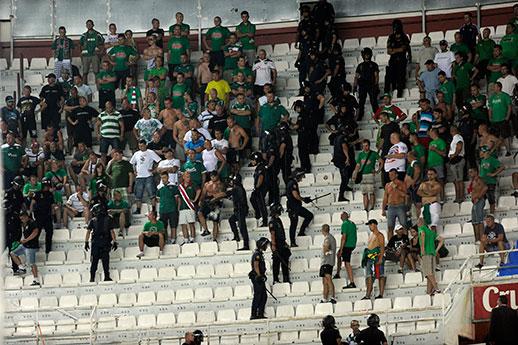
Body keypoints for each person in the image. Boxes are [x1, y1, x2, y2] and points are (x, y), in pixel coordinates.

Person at [84, 203, 117, 282]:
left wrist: (86, 242)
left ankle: (92, 278)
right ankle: (106, 276)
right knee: (105, 261)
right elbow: (112, 231)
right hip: (105, 242)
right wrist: (115, 241)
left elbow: (88, 232)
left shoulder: (93, 220)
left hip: (96, 242)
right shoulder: (108, 219)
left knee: (94, 261)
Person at [130, 140, 161, 214]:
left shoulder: (150, 152)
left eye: (142, 146)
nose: (141, 147)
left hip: (148, 176)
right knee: (138, 194)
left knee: (152, 193)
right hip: (139, 176)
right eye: (139, 146)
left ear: (145, 145)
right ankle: (138, 209)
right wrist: (134, 171)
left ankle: (154, 209)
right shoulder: (136, 153)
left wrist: (154, 170)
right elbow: (131, 163)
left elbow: (159, 161)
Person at [9, 211, 40, 285]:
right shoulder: (24, 224)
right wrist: (22, 240)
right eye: (21, 219)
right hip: (25, 245)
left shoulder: (32, 223)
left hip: (31, 246)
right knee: (12, 253)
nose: (22, 220)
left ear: (26, 217)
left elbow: (36, 232)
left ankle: (36, 280)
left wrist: (27, 240)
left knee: (32, 263)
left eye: (23, 218)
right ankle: (21, 267)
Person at [286, 168, 314, 247]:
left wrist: (303, 199)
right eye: (301, 177)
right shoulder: (292, 183)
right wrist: (304, 199)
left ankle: (301, 232)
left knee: (309, 215)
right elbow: (295, 195)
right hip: (293, 207)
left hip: (295, 206)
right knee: (294, 224)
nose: (301, 179)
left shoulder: (292, 182)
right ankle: (292, 242)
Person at [417, 217, 443, 295]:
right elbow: (441, 240)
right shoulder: (431, 232)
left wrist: (422, 249)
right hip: (432, 253)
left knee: (428, 273)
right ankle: (429, 291)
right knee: (431, 273)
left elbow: (422, 235)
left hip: (426, 253)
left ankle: (436, 288)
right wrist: (436, 250)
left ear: (420, 223)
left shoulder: (421, 228)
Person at [385, 19, 410, 98]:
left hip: (402, 61)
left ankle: (399, 96)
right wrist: (397, 50)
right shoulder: (391, 37)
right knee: (389, 77)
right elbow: (388, 51)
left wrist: (394, 50)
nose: (395, 28)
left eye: (397, 26)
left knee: (400, 79)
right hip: (393, 60)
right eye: (394, 26)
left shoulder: (404, 37)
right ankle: (387, 94)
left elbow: (403, 49)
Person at [197, 171, 226, 240]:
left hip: (216, 202)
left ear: (217, 176)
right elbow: (203, 194)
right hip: (207, 201)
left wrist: (215, 197)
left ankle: (214, 239)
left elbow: (223, 194)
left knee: (215, 221)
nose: (212, 178)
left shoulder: (221, 184)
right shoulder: (207, 184)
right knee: (199, 213)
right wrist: (200, 200)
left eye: (214, 176)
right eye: (211, 176)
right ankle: (206, 230)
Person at [29, 178, 55, 254]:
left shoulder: (50, 194)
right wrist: (30, 214)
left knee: (49, 233)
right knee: (37, 233)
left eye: (48, 186)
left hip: (48, 216)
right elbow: (32, 203)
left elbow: (52, 205)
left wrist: (54, 214)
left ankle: (48, 250)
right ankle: (35, 248)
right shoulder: (37, 193)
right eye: (46, 186)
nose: (47, 187)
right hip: (39, 216)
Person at [362, 219, 386, 300]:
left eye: (370, 224)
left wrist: (381, 258)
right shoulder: (371, 235)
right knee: (369, 276)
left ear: (375, 225)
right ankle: (368, 295)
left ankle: (380, 294)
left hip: (377, 257)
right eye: (369, 225)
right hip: (370, 257)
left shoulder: (379, 235)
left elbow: (382, 247)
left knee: (380, 275)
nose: (369, 226)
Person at [353, 139, 379, 211]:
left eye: (366, 145)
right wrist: (355, 173)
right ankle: (365, 209)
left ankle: (372, 208)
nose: (365, 147)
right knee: (364, 193)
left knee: (371, 193)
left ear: (369, 146)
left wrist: (378, 170)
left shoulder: (373, 153)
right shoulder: (360, 154)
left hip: (370, 174)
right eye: (363, 146)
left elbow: (381, 161)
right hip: (362, 175)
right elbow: (358, 165)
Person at [269, 202, 291, 284]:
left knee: (285, 260)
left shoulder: (278, 220)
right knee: (276, 262)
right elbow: (273, 234)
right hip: (277, 244)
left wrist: (284, 242)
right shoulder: (272, 221)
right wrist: (274, 245)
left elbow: (281, 233)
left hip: (282, 243)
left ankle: (286, 279)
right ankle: (276, 279)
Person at [354, 47, 379, 121]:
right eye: (365, 54)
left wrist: (376, 85)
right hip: (362, 86)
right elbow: (356, 76)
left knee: (373, 101)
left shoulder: (374, 64)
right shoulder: (360, 66)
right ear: (363, 55)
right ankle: (360, 116)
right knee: (361, 102)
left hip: (371, 85)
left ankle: (377, 116)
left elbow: (376, 76)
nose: (366, 56)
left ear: (370, 55)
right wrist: (354, 86)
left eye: (368, 54)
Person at [489, 81, 513, 156]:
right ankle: (496, 152)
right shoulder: (492, 97)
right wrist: (490, 117)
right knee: (495, 137)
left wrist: (507, 117)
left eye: (495, 87)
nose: (493, 88)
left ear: (499, 87)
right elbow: (490, 108)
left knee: (505, 135)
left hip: (503, 119)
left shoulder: (505, 96)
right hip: (494, 120)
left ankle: (508, 151)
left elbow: (509, 107)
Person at [382, 169, 407, 240]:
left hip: (400, 206)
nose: (390, 176)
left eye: (392, 174)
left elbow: (405, 195)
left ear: (396, 175)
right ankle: (390, 244)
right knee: (390, 227)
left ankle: (405, 242)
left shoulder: (402, 184)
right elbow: (385, 198)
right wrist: (383, 209)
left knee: (404, 225)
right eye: (389, 175)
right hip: (391, 207)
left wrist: (396, 188)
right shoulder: (387, 185)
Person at [155, 172, 179, 244]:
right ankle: (165, 240)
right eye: (162, 178)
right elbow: (158, 199)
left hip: (172, 209)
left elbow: (177, 198)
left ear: (168, 177)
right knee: (163, 226)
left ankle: (173, 240)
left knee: (173, 225)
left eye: (164, 177)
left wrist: (176, 208)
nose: (163, 179)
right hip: (163, 210)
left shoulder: (173, 186)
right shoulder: (159, 187)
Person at [479, 146, 504, 214]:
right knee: (480, 200)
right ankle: (480, 214)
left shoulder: (492, 159)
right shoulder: (482, 160)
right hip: (482, 182)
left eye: (481, 151)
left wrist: (493, 174)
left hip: (490, 182)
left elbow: (502, 167)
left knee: (491, 199)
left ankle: (492, 214)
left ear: (486, 152)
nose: (480, 152)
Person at [335, 211, 357, 288]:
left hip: (347, 245)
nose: (340, 217)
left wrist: (341, 249)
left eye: (341, 215)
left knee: (347, 263)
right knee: (338, 256)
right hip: (352, 244)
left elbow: (344, 237)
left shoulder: (345, 224)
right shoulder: (352, 223)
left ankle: (352, 282)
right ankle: (338, 273)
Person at [249, 237, 269, 320]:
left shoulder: (259, 254)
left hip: (259, 277)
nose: (267, 247)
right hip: (257, 278)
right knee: (258, 295)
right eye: (265, 245)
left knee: (263, 296)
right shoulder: (257, 254)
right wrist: (259, 275)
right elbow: (256, 265)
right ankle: (254, 314)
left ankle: (260, 313)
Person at [228, 174, 250, 250]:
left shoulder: (237, 188)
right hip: (239, 210)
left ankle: (246, 245)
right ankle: (236, 236)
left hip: (241, 210)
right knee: (231, 220)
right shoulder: (238, 188)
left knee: (242, 227)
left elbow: (226, 194)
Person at [177, 172, 200, 245]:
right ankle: (186, 239)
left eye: (189, 177)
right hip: (182, 208)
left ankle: (192, 239)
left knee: (191, 223)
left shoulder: (193, 184)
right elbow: (179, 198)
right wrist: (178, 208)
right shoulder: (180, 186)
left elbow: (199, 190)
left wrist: (195, 200)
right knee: (183, 224)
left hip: (190, 206)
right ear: (183, 177)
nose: (188, 178)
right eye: (187, 177)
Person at [248, 151, 268, 227]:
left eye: (253, 159)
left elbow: (260, 178)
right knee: (252, 199)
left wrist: (257, 187)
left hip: (260, 189)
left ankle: (265, 221)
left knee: (261, 204)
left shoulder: (261, 167)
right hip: (258, 189)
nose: (252, 161)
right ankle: (258, 214)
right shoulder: (259, 167)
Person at [320, 224, 337, 304]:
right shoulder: (332, 238)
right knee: (325, 281)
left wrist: (326, 252)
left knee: (328, 279)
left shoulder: (327, 239)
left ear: (323, 230)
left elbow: (326, 250)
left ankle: (332, 297)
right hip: (330, 261)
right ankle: (325, 298)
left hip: (326, 262)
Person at [448, 125, 465, 203]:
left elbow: (459, 145)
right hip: (454, 161)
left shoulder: (458, 137)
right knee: (456, 180)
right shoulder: (455, 138)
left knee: (459, 180)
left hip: (457, 160)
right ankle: (458, 197)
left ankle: (460, 197)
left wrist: (454, 154)